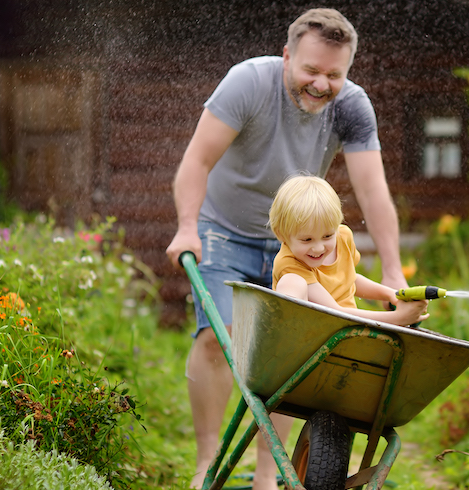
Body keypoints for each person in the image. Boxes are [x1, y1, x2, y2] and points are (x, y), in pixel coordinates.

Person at [163, 8, 409, 490]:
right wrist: (187, 226)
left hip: (300, 245)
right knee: (218, 337)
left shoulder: (352, 107)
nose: (321, 83)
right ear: (286, 57)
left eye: (334, 74)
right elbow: (197, 159)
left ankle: (266, 474)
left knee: (287, 356)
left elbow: (373, 192)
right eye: (311, 70)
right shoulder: (247, 84)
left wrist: (395, 270)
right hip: (223, 228)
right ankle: (206, 463)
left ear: (348, 71)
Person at [269, 175, 429, 325]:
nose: (318, 247)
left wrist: (390, 294)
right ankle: (288, 336)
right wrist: (397, 318)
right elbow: (334, 312)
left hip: (347, 332)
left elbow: (350, 278)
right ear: (281, 234)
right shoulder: (289, 264)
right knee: (292, 282)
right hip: (317, 334)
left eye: (327, 236)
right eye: (307, 239)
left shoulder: (343, 236)